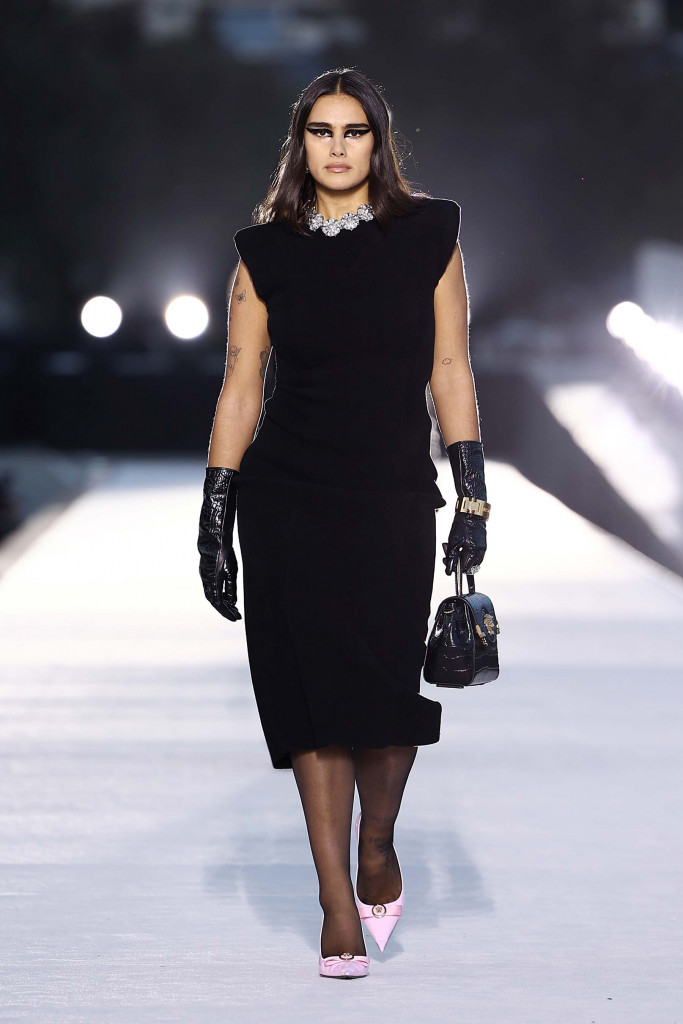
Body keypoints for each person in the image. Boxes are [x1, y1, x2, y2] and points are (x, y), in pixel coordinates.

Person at [197, 67, 490, 979]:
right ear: (300, 143)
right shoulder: (264, 252)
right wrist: (215, 511)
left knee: (384, 695)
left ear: (377, 142)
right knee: (311, 702)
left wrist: (471, 494)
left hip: (391, 493)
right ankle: (334, 899)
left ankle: (376, 843)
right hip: (286, 499)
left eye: (352, 131)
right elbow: (241, 384)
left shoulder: (429, 235)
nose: (336, 147)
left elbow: (450, 367)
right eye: (320, 131)